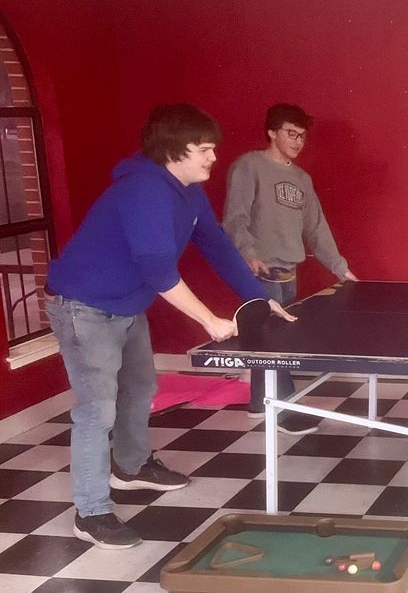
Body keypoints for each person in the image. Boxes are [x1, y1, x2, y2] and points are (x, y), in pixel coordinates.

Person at [45, 104, 295, 549]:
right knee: (97, 411)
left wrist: (259, 297)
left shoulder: (186, 190)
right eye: (204, 149)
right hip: (84, 308)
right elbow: (158, 269)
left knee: (140, 389)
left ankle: (131, 467)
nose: (214, 157)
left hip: (127, 305)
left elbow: (216, 243)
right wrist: (209, 320)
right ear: (174, 151)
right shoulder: (144, 190)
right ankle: (91, 511)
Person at [224, 103, 356, 435]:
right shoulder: (250, 166)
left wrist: (339, 267)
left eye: (301, 136)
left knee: (270, 345)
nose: (297, 141)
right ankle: (284, 411)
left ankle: (260, 404)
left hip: (288, 272)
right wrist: (249, 253)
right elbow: (235, 217)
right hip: (260, 273)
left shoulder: (301, 179)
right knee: (276, 344)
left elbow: (316, 228)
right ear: (272, 132)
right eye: (290, 133)